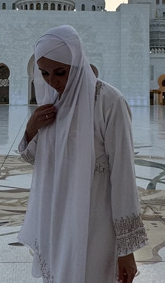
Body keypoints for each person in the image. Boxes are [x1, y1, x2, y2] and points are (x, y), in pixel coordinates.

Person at [18, 25, 148, 283]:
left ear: (77, 65)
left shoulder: (109, 102)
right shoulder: (54, 102)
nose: (52, 82)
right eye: (44, 73)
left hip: (96, 222)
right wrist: (31, 129)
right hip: (57, 219)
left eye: (60, 72)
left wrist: (126, 249)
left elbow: (122, 175)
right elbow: (38, 159)